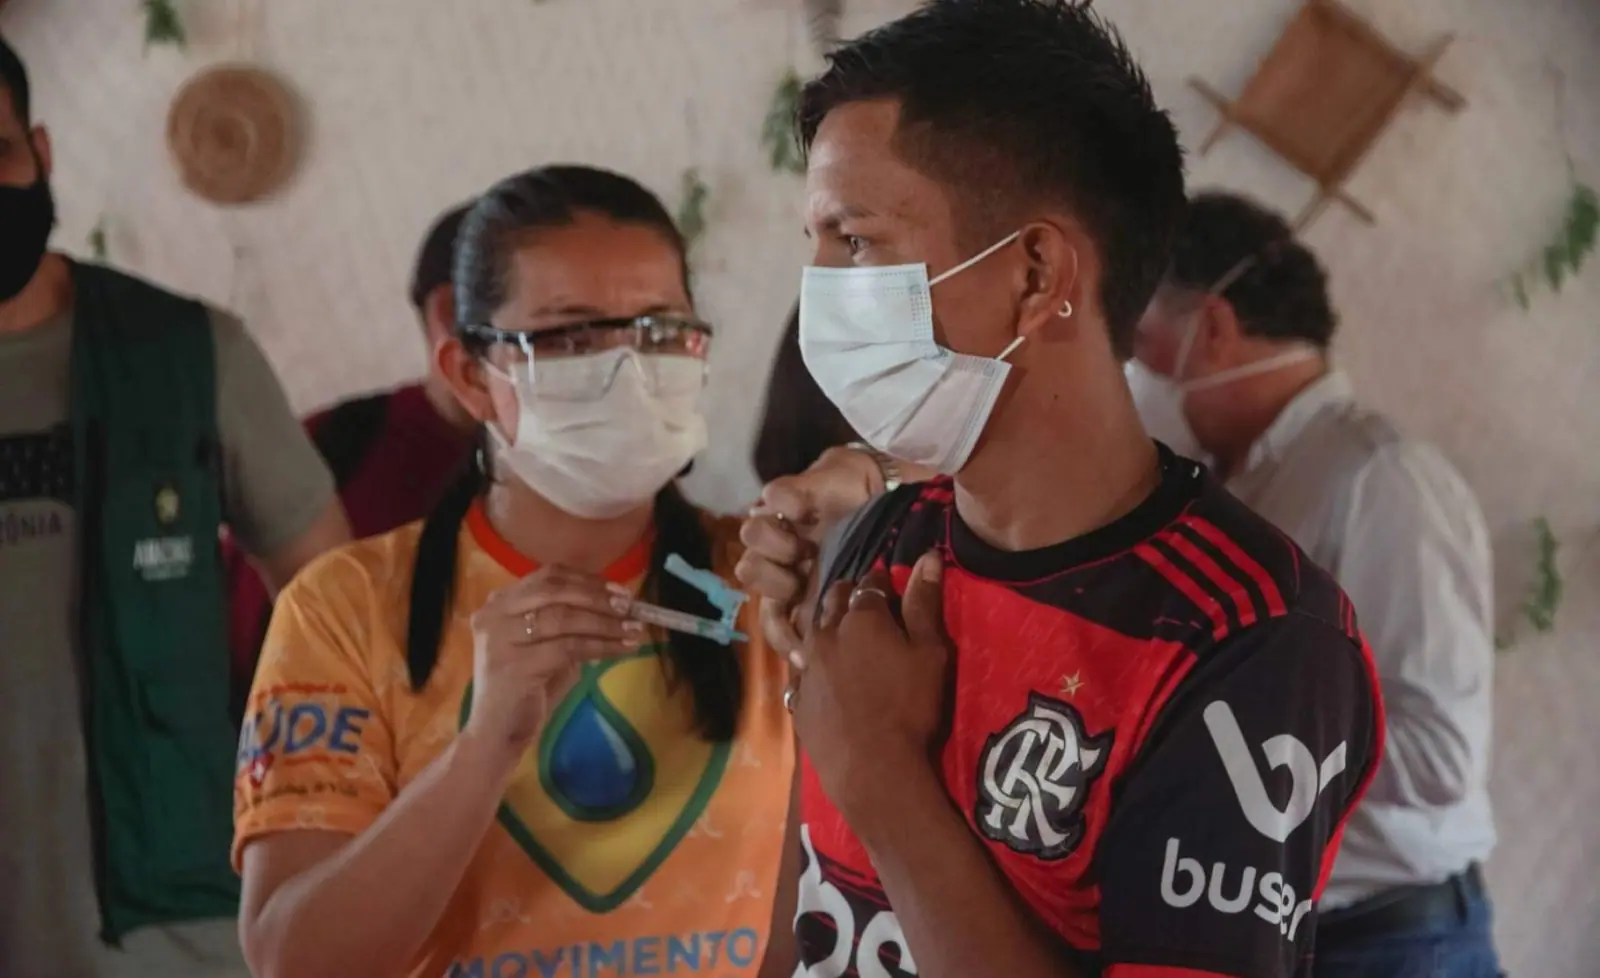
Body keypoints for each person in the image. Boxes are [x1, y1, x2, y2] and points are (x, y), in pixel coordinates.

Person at [734, 3, 1386, 977]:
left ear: (1036, 273)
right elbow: (803, 920)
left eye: (855, 241)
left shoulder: (1252, 639)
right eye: (815, 242)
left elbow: (863, 782)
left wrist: (882, 773)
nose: (818, 289)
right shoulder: (890, 540)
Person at [233, 165, 797, 978]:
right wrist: (484, 748)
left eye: (660, 331)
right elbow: (295, 959)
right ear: (471, 375)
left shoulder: (766, 581)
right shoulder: (345, 609)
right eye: (571, 337)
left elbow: (820, 907)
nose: (627, 369)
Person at [0, 33, 348, 978]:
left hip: (172, 934)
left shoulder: (189, 355)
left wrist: (306, 840)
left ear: (40, 150)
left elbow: (338, 620)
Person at [1130, 190, 1501, 978]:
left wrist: (1210, 733)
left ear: (1213, 329)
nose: (1133, 374)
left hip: (1389, 944)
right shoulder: (1231, 483)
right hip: (1275, 930)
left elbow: (1437, 757)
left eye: (1141, 342)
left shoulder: (1378, 481)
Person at [223, 203, 478, 708]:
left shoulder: (587, 480)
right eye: (562, 320)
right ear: (449, 313)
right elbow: (236, 634)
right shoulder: (332, 444)